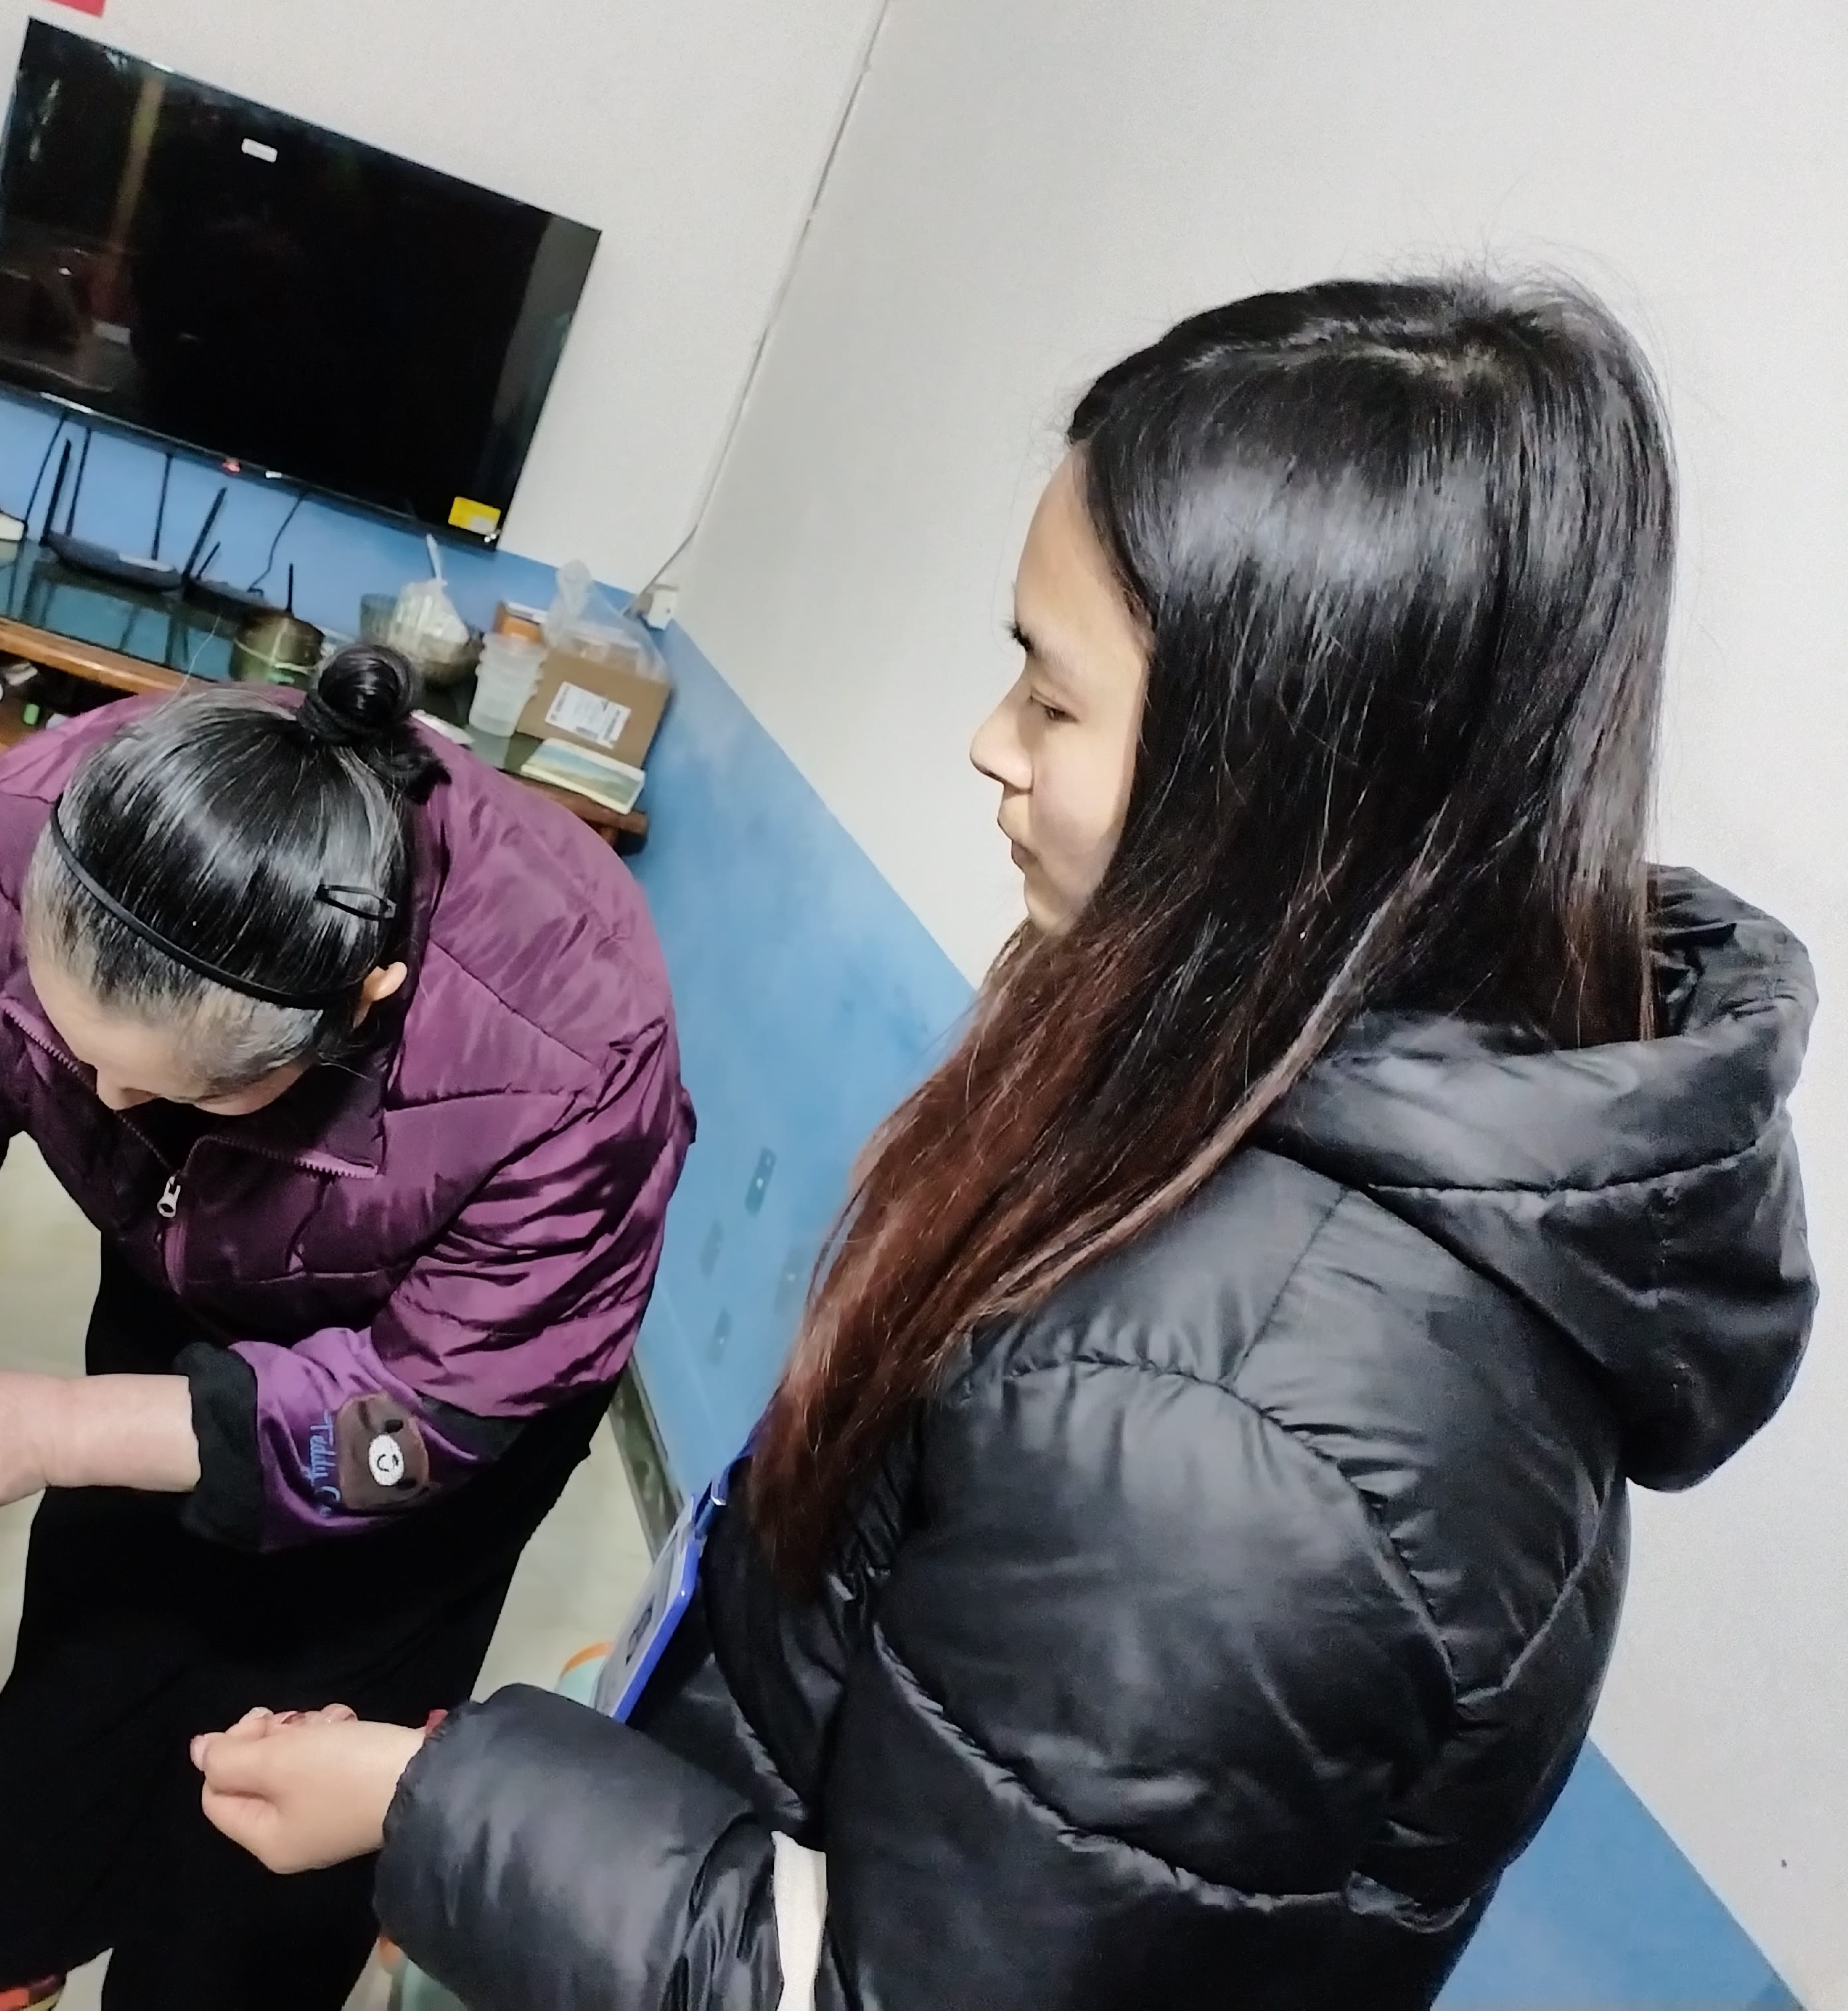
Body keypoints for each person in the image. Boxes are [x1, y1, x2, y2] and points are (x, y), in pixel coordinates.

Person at [182, 276, 1819, 2008]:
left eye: (1052, 697)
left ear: (1278, 773)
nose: (988, 745)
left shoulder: (1224, 1445)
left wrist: (436, 1805)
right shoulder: (1235, 1091)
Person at [0, 645, 693, 2011]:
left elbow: (415, 1422)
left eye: (169, 1086)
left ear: (359, 1006)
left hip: (442, 1391)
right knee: (92, 1644)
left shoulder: (570, 1039)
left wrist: (52, 1425)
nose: (94, 1097)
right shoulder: (43, 820)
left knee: (281, 1812)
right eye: (74, 1049)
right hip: (198, 1267)